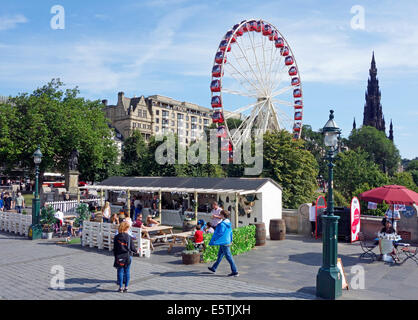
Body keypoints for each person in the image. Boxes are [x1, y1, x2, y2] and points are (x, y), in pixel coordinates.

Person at [207, 210, 239, 277]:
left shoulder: (222, 224)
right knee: (220, 256)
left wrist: (214, 239)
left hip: (224, 242)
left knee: (229, 257)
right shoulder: (228, 222)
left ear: (223, 215)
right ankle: (214, 268)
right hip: (226, 241)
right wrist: (231, 240)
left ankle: (235, 271)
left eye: (220, 214)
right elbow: (230, 232)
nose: (219, 215)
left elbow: (219, 233)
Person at [113, 221, 138, 293]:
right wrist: (137, 251)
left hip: (119, 256)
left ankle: (120, 287)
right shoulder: (129, 237)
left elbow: (115, 248)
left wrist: (115, 257)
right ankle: (126, 287)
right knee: (127, 271)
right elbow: (133, 248)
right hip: (128, 256)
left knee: (120, 271)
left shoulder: (116, 237)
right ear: (126, 228)